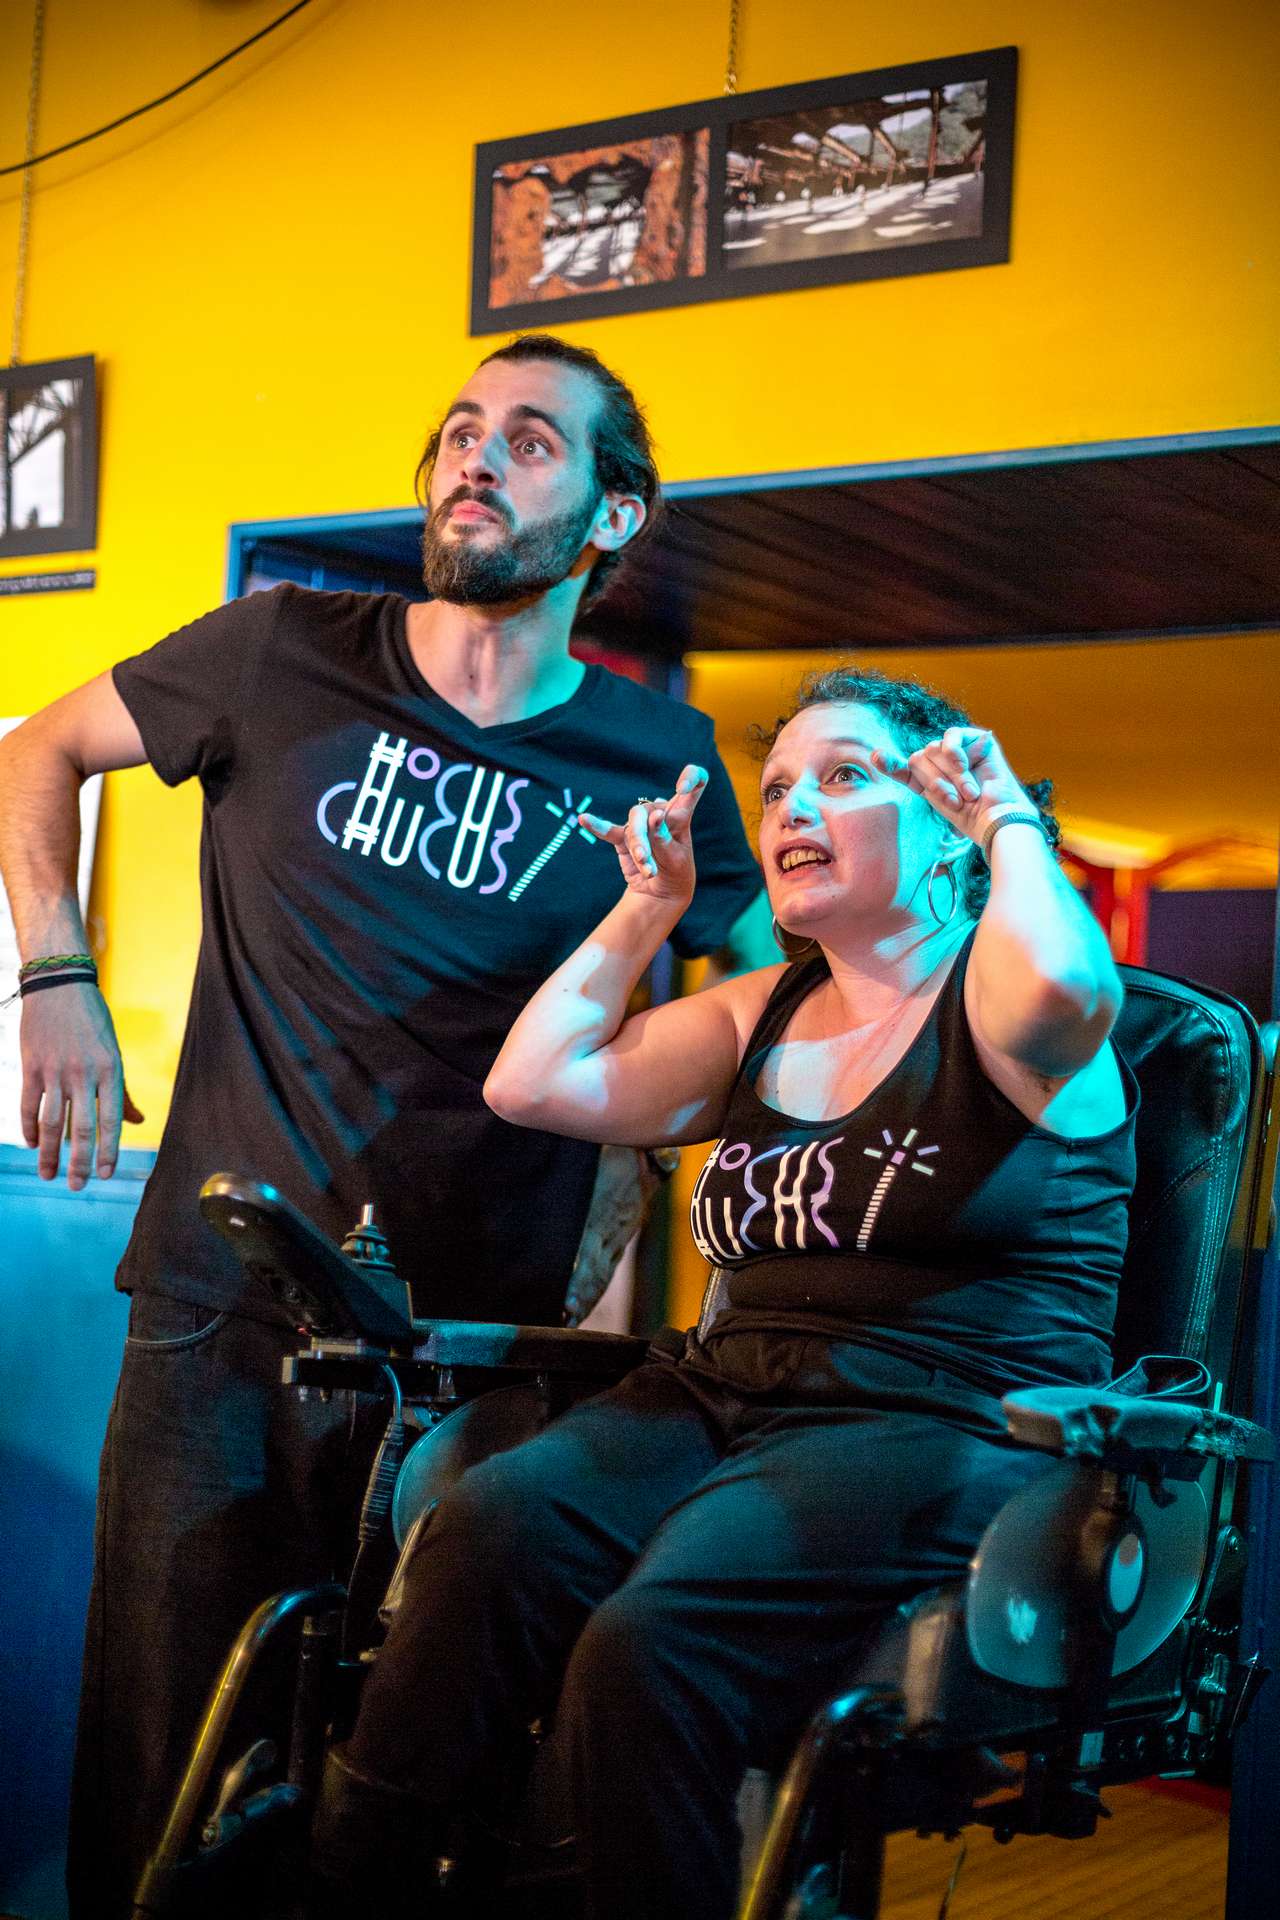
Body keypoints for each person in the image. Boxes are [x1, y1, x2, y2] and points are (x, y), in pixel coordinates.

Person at [0, 333, 772, 1919]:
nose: (476, 456)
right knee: (164, 1766)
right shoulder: (281, 648)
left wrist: (647, 1152)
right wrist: (56, 975)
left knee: (403, 1789)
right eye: (461, 429)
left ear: (616, 516)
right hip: (222, 1314)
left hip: (476, 1352)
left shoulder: (659, 759)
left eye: (532, 441)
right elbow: (37, 749)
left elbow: (769, 1000)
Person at [310, 665, 1136, 1920]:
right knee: (487, 1532)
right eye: (777, 787)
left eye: (843, 776)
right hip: (724, 1395)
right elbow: (532, 1084)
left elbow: (1068, 992)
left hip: (931, 1413)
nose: (793, 804)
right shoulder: (764, 1010)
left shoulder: (1001, 993)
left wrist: (1007, 824)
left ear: (943, 829)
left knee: (650, 1648)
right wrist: (645, 909)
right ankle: (352, 1886)